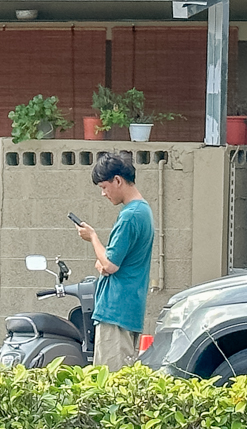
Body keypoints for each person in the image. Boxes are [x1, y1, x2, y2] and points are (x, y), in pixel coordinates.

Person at [76, 150, 153, 370]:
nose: (103, 194)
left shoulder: (129, 215)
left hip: (115, 310)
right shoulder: (143, 210)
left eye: (103, 187)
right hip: (130, 309)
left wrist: (92, 237)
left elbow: (109, 264)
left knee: (109, 383)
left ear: (117, 180)